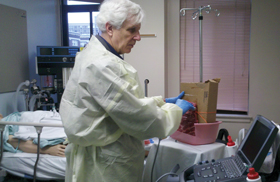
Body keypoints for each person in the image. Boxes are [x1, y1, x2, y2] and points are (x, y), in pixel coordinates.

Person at [59, 0, 195, 181]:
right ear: (110, 28)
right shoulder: (103, 65)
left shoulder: (91, 53)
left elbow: (118, 105)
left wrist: (159, 102)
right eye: (132, 30)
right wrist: (175, 110)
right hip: (107, 164)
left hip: (100, 157)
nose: (138, 37)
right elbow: (141, 119)